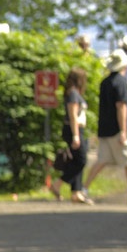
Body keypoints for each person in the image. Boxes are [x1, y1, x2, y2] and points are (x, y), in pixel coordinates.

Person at [84, 50, 127, 204]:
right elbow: (121, 106)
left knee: (101, 160)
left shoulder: (105, 82)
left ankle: (84, 188)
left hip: (105, 129)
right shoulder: (121, 82)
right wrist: (124, 130)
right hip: (118, 129)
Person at [50, 67, 93, 204]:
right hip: (73, 129)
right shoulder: (73, 94)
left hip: (78, 130)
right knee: (81, 160)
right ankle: (58, 184)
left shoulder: (74, 93)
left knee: (76, 160)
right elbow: (73, 115)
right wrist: (75, 135)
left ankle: (76, 192)